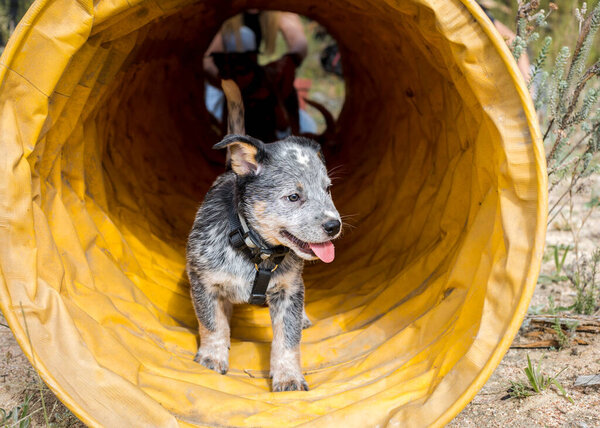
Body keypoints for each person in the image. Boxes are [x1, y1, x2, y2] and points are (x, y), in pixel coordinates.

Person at [203, 10, 317, 135]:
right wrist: (231, 82)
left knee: (309, 127)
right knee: (244, 35)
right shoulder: (221, 10)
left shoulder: (276, 10)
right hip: (221, 89)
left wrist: (291, 59)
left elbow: (299, 42)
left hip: (253, 84)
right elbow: (208, 60)